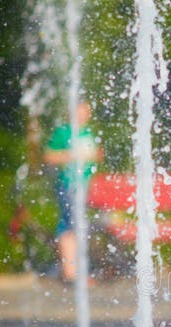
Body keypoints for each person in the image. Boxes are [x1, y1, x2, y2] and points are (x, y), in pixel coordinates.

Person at [43, 102, 103, 282]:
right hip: (68, 184)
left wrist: (94, 156)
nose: (83, 115)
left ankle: (73, 271)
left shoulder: (88, 133)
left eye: (85, 112)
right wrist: (72, 155)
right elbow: (49, 156)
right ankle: (72, 272)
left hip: (84, 185)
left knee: (75, 224)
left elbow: (95, 156)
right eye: (79, 112)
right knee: (71, 224)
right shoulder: (63, 132)